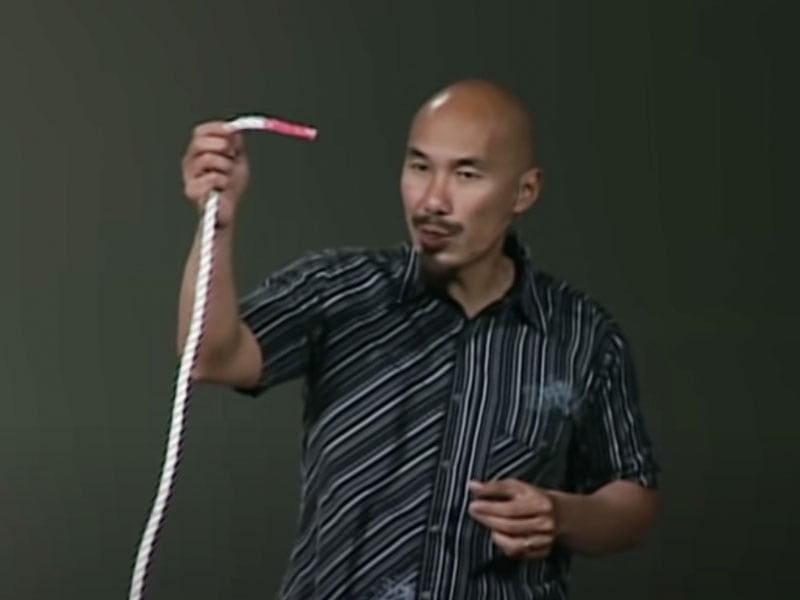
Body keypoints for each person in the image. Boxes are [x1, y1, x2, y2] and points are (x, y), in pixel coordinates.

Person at [177, 79, 661, 600]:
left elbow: (633, 497)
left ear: (524, 192)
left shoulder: (583, 335)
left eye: (466, 174)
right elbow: (209, 356)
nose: (433, 200)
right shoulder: (338, 291)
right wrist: (218, 223)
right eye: (420, 167)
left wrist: (563, 515)